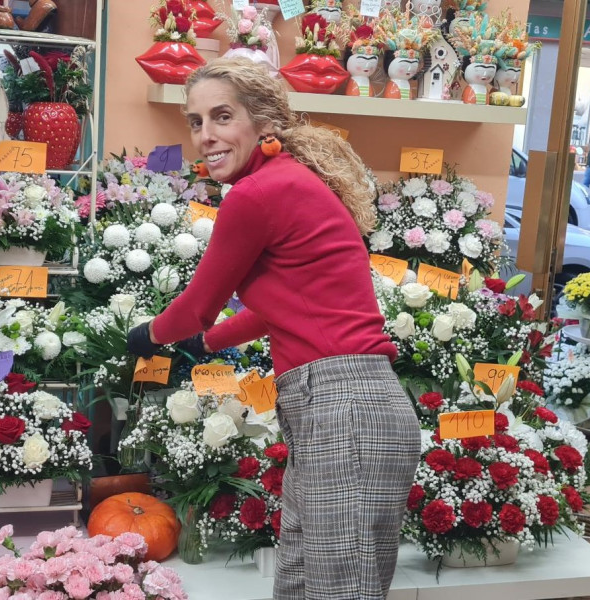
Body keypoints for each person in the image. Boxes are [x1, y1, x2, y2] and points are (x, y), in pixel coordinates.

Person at [126, 57, 420, 600]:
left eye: (221, 116)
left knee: (335, 590)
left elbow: (197, 305)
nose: (206, 136)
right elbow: (281, 307)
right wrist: (206, 343)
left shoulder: (256, 194)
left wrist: (148, 335)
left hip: (343, 407)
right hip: (343, 407)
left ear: (263, 124)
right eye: (195, 122)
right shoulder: (283, 183)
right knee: (305, 582)